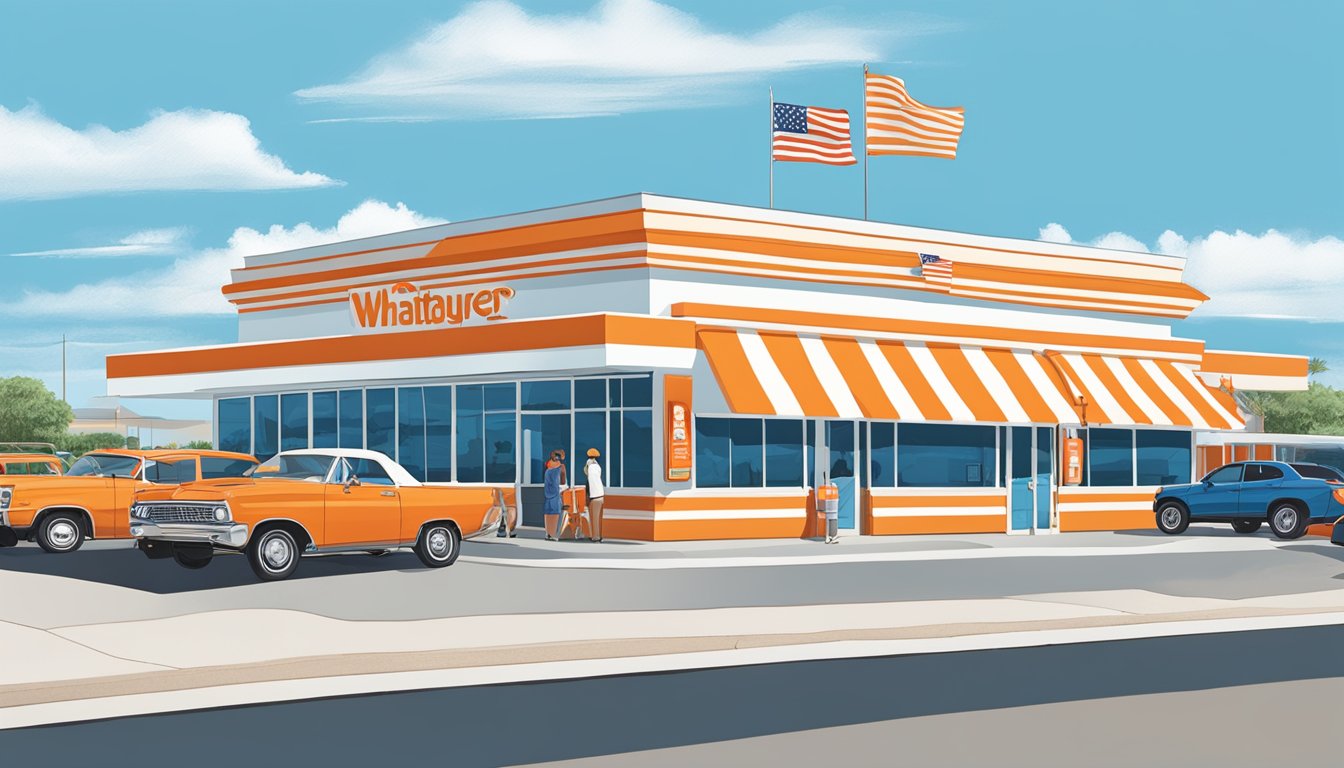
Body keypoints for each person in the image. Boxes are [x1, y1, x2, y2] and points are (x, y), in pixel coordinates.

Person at [542, 449, 567, 541]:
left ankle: (547, 533)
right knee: (554, 513)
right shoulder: (560, 467)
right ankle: (552, 534)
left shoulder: (547, 468)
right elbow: (563, 482)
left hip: (547, 494)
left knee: (548, 513)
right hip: (556, 494)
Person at [583, 448, 605, 542]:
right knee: (599, 518)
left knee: (594, 518)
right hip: (601, 495)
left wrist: (587, 495)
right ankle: (599, 536)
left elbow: (590, 482)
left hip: (595, 496)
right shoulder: (597, 466)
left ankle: (595, 537)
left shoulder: (591, 466)